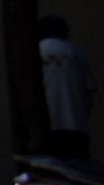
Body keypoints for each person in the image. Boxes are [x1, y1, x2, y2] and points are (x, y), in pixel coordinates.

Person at [40, 15, 94, 161]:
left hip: (46, 128)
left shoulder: (36, 52)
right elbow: (89, 92)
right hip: (76, 127)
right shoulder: (78, 54)